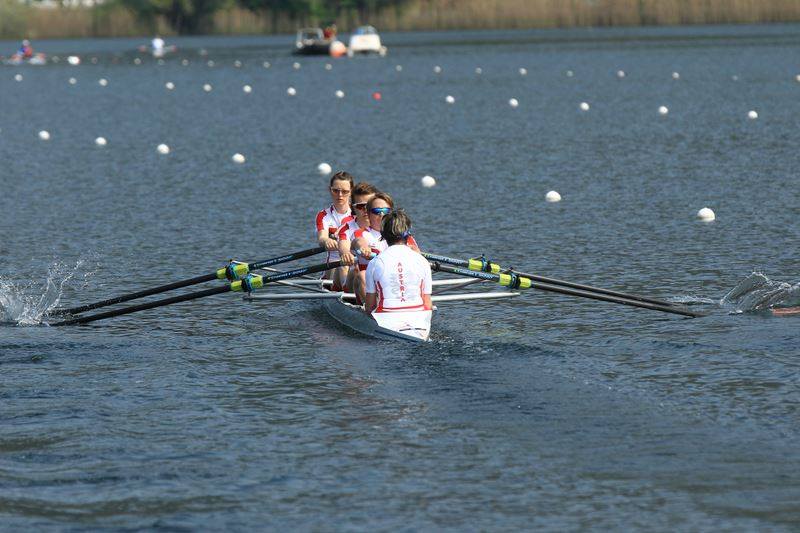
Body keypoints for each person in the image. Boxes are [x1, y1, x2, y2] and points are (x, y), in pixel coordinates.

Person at [365, 209, 432, 314]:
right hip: (419, 317)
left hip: (386, 318)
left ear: (383, 235)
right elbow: (428, 304)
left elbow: (370, 307)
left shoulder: (374, 263)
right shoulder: (423, 261)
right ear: (408, 234)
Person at [335, 182, 378, 290]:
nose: (366, 210)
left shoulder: (386, 227)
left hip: (379, 273)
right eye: (360, 206)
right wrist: (345, 254)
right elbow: (344, 246)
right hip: (353, 279)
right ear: (353, 208)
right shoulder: (346, 229)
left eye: (369, 206)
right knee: (349, 268)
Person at [315, 171, 354, 269]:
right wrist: (326, 240)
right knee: (343, 267)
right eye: (335, 191)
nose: (340, 195)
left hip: (356, 262)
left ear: (351, 191)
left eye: (345, 191)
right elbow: (321, 238)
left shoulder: (359, 212)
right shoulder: (323, 215)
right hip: (334, 264)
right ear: (330, 190)